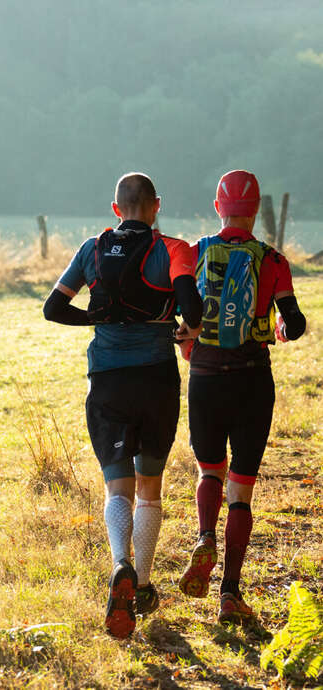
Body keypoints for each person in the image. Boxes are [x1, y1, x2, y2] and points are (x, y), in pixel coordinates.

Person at [44, 172, 203, 639]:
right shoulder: (174, 249)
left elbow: (53, 309)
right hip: (156, 379)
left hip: (107, 381)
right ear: (157, 206)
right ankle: (146, 583)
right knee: (150, 487)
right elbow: (191, 309)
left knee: (118, 487)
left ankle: (120, 566)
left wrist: (92, 318)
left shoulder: (92, 249)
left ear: (116, 209)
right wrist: (186, 329)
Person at [176, 170, 306, 624]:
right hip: (253, 382)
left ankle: (205, 537)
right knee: (242, 489)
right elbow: (295, 322)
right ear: (255, 211)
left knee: (210, 470)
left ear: (218, 207)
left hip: (206, 379)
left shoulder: (194, 253)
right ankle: (230, 591)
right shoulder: (272, 259)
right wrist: (282, 329)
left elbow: (178, 313)